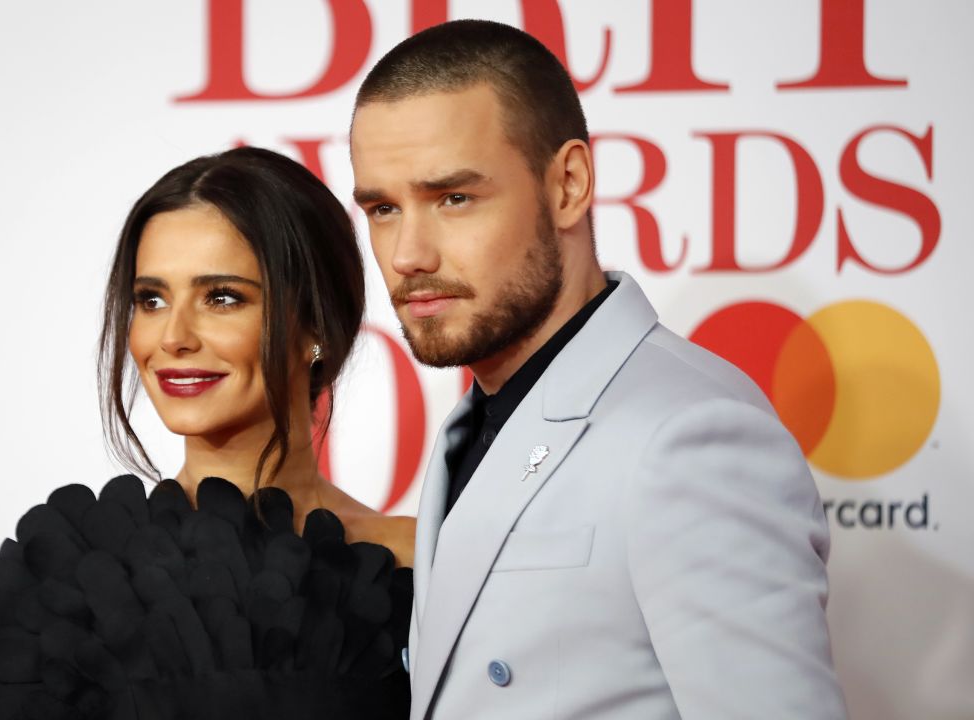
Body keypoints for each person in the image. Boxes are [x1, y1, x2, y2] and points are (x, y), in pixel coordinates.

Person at [349, 19, 847, 720]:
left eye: (453, 198)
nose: (407, 254)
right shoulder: (478, 421)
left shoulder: (691, 436)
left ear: (569, 184)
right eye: (382, 208)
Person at [0, 147, 414, 719]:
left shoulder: (417, 563)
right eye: (150, 300)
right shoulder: (69, 580)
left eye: (222, 298)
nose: (173, 337)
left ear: (318, 326)